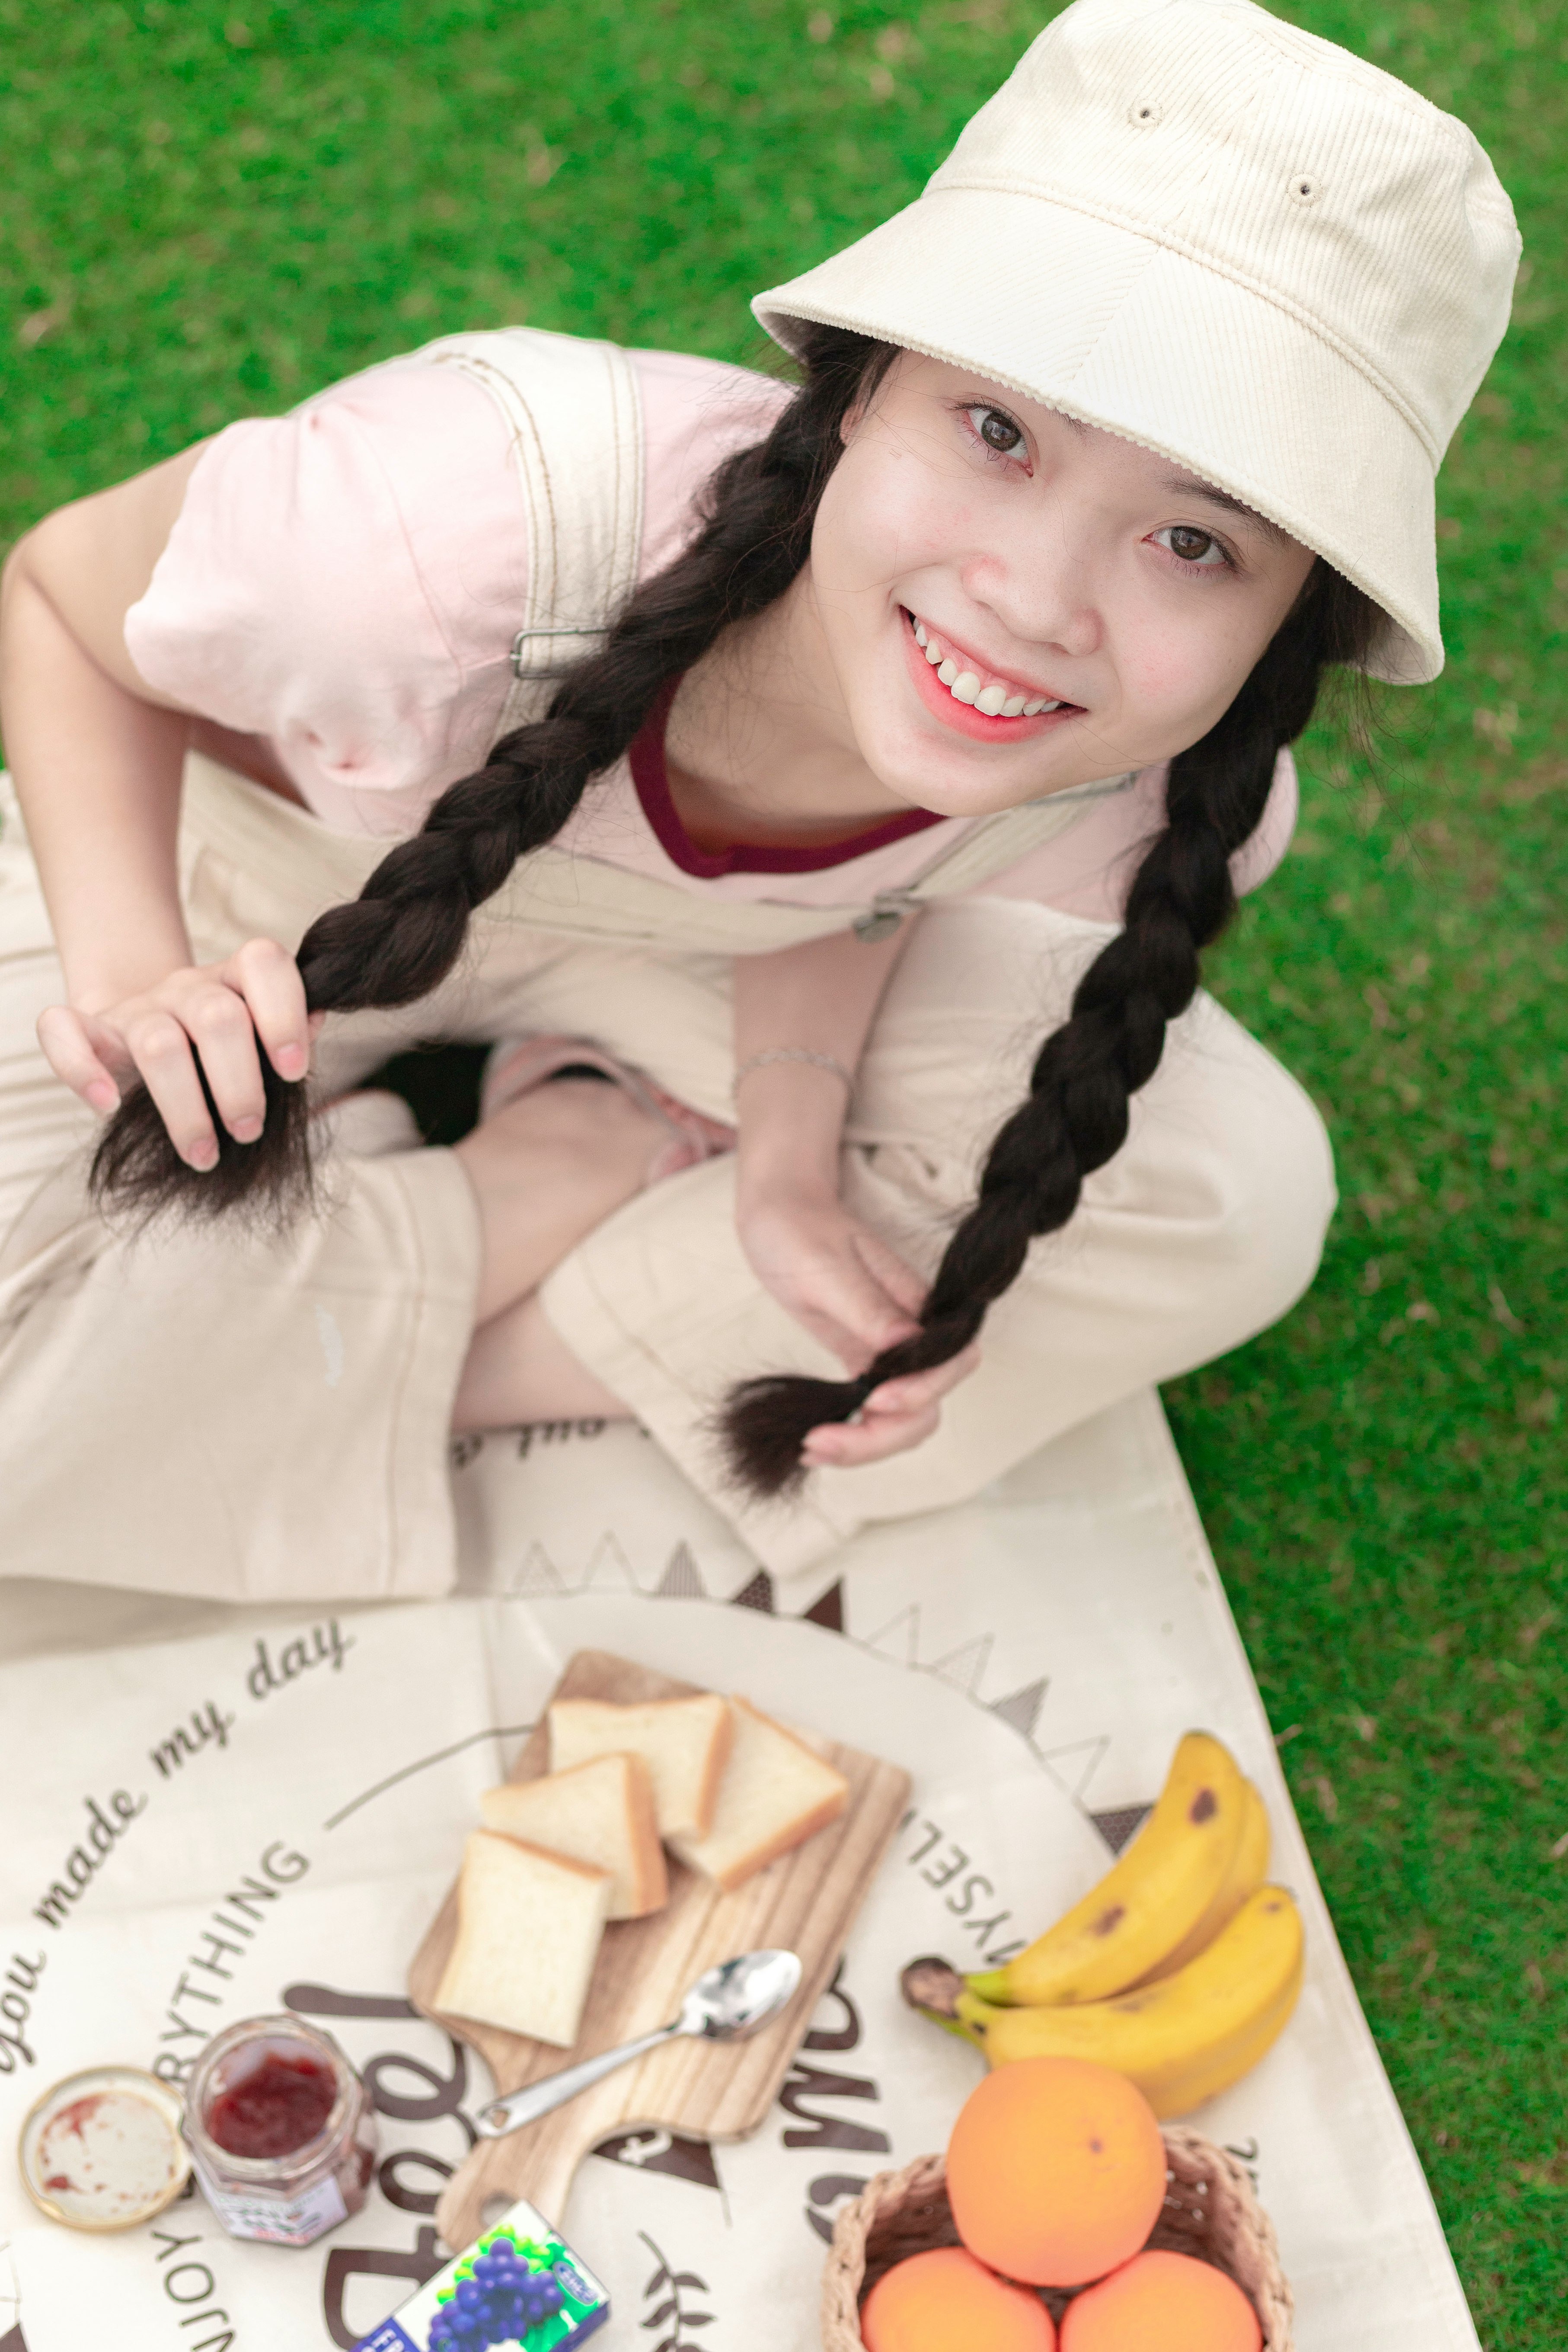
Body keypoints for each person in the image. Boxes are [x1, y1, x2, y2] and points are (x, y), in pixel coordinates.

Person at [0, 0, 1517, 1600]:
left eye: (1195, 542)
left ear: (1289, 621)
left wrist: (789, 1165)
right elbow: (56, 601)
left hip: (692, 975)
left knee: (1226, 1196)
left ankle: (363, 1346)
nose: (1034, 601)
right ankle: (527, 1201)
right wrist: (127, 968)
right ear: (859, 392)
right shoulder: (434, 535)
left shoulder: (1160, 798)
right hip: (262, 904)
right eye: (997, 432)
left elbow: (871, 877)